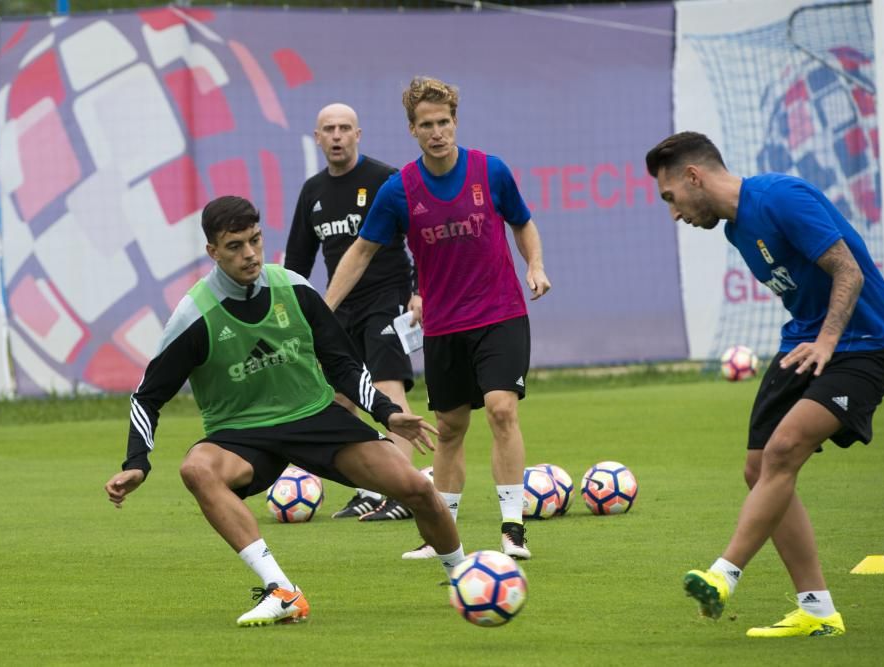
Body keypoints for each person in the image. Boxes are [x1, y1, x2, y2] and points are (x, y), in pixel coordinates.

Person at [104, 195, 466, 627]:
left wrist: (386, 413)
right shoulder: (194, 315)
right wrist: (137, 463)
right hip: (240, 433)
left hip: (313, 417)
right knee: (196, 469)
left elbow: (342, 364)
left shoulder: (292, 288)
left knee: (417, 489)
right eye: (235, 245)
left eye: (255, 240)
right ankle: (282, 590)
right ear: (213, 252)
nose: (250, 253)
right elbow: (147, 395)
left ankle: (466, 581)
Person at [645, 132, 884, 638]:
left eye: (670, 197)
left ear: (694, 177)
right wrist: (816, 342)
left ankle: (722, 577)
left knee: (785, 449)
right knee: (758, 466)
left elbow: (847, 271)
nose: (674, 213)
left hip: (865, 344)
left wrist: (829, 342)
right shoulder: (735, 231)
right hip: (805, 345)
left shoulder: (781, 196)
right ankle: (817, 610)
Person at [324, 77, 551, 561]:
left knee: (501, 409)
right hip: (444, 326)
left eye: (444, 122)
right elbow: (361, 251)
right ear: (412, 130)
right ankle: (440, 535)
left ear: (455, 122)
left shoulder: (491, 171)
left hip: (500, 313)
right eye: (426, 124)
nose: (437, 132)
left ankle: (513, 528)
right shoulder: (399, 190)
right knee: (448, 429)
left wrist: (534, 264)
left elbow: (522, 221)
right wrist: (325, 309)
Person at [286, 103, 420, 523]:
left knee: (385, 386)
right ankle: (367, 489)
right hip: (338, 308)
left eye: (345, 128)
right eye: (330, 129)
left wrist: (421, 291)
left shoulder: (385, 179)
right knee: (340, 398)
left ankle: (405, 492)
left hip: (388, 297)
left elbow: (423, 236)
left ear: (359, 134)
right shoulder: (312, 192)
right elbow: (297, 263)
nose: (338, 135)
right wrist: (287, 314)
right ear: (318, 138)